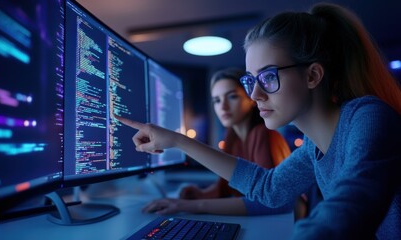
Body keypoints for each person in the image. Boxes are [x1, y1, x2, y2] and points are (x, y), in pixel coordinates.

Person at [116, 2, 401, 239]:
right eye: (251, 79)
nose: (255, 94)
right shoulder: (314, 148)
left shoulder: (368, 117)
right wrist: (177, 140)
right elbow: (268, 188)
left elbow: (350, 206)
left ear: (313, 75)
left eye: (268, 76)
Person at [142, 67, 293, 216]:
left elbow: (268, 201)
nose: (223, 106)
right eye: (216, 100)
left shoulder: (263, 134)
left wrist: (190, 205)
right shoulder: (232, 138)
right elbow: (226, 188)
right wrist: (199, 193)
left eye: (232, 96)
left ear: (251, 97)